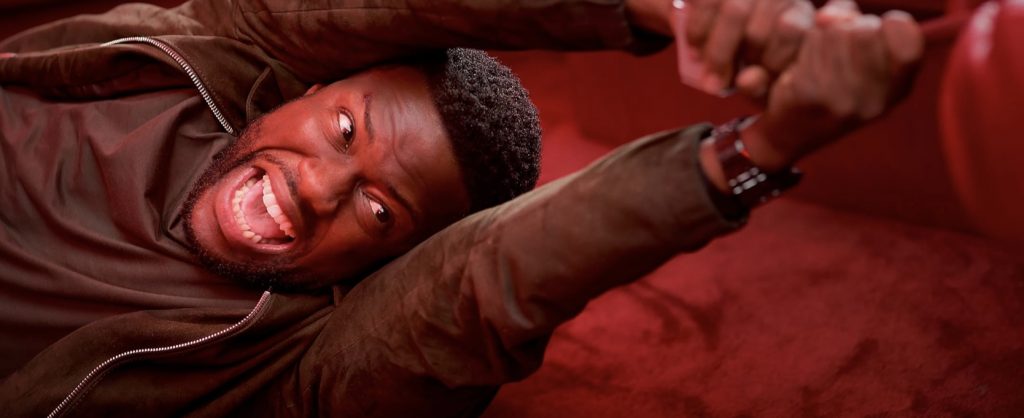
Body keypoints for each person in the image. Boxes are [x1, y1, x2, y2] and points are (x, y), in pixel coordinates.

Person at [0, 0, 922, 416]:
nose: (315, 189)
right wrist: (665, 9)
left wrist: (760, 150)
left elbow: (481, 288)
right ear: (310, 87)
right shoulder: (209, 55)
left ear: (388, 262)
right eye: (344, 129)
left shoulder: (289, 368)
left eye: (379, 213)